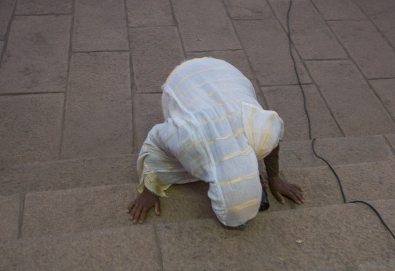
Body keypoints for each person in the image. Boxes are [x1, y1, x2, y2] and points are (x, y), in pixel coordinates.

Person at [127, 58, 304, 228]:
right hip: (184, 80)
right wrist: (149, 190)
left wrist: (274, 177)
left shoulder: (264, 135)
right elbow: (154, 142)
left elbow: (274, 138)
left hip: (227, 77)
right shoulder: (188, 143)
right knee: (175, 146)